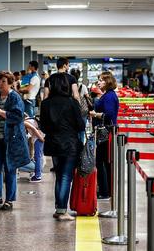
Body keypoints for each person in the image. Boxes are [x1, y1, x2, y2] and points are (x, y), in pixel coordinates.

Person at [0, 71, 30, 211]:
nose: (0, 84)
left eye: (3, 81)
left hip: (11, 139)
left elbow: (18, 117)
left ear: (10, 83)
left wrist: (0, 111)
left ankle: (9, 199)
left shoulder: (15, 97)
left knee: (10, 169)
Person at [40, 73, 85, 221]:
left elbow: (43, 127)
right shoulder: (72, 102)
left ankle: (59, 207)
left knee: (59, 175)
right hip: (70, 143)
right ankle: (62, 210)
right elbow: (81, 125)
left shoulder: (45, 104)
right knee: (66, 176)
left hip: (53, 143)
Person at [89, 71, 119, 200]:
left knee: (102, 161)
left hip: (106, 133)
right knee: (104, 161)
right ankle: (105, 189)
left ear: (108, 82)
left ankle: (105, 191)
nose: (99, 82)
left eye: (101, 80)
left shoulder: (109, 96)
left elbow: (109, 115)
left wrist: (94, 114)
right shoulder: (108, 95)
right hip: (106, 132)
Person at [24, 115, 44, 182]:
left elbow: (34, 129)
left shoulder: (24, 122)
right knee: (38, 156)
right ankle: (38, 174)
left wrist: (41, 138)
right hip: (39, 136)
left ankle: (38, 176)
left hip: (39, 137)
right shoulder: (28, 119)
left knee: (38, 156)